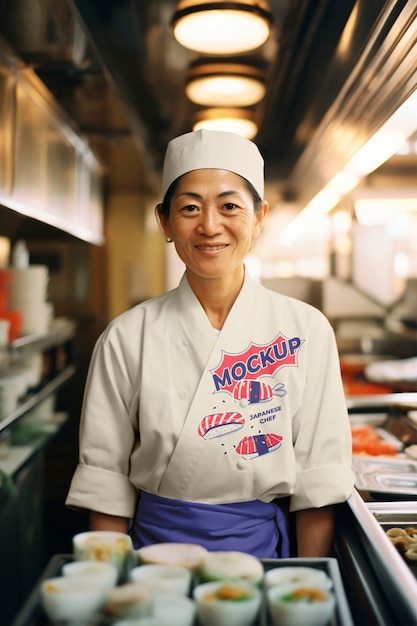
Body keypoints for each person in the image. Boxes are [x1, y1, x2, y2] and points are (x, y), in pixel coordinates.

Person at [66, 128, 355, 558]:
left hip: (260, 560)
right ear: (165, 222)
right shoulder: (126, 337)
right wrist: (114, 588)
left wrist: (307, 582)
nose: (210, 226)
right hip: (154, 560)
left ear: (259, 218)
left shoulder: (306, 330)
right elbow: (105, 485)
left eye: (230, 206)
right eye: (189, 208)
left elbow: (318, 481)